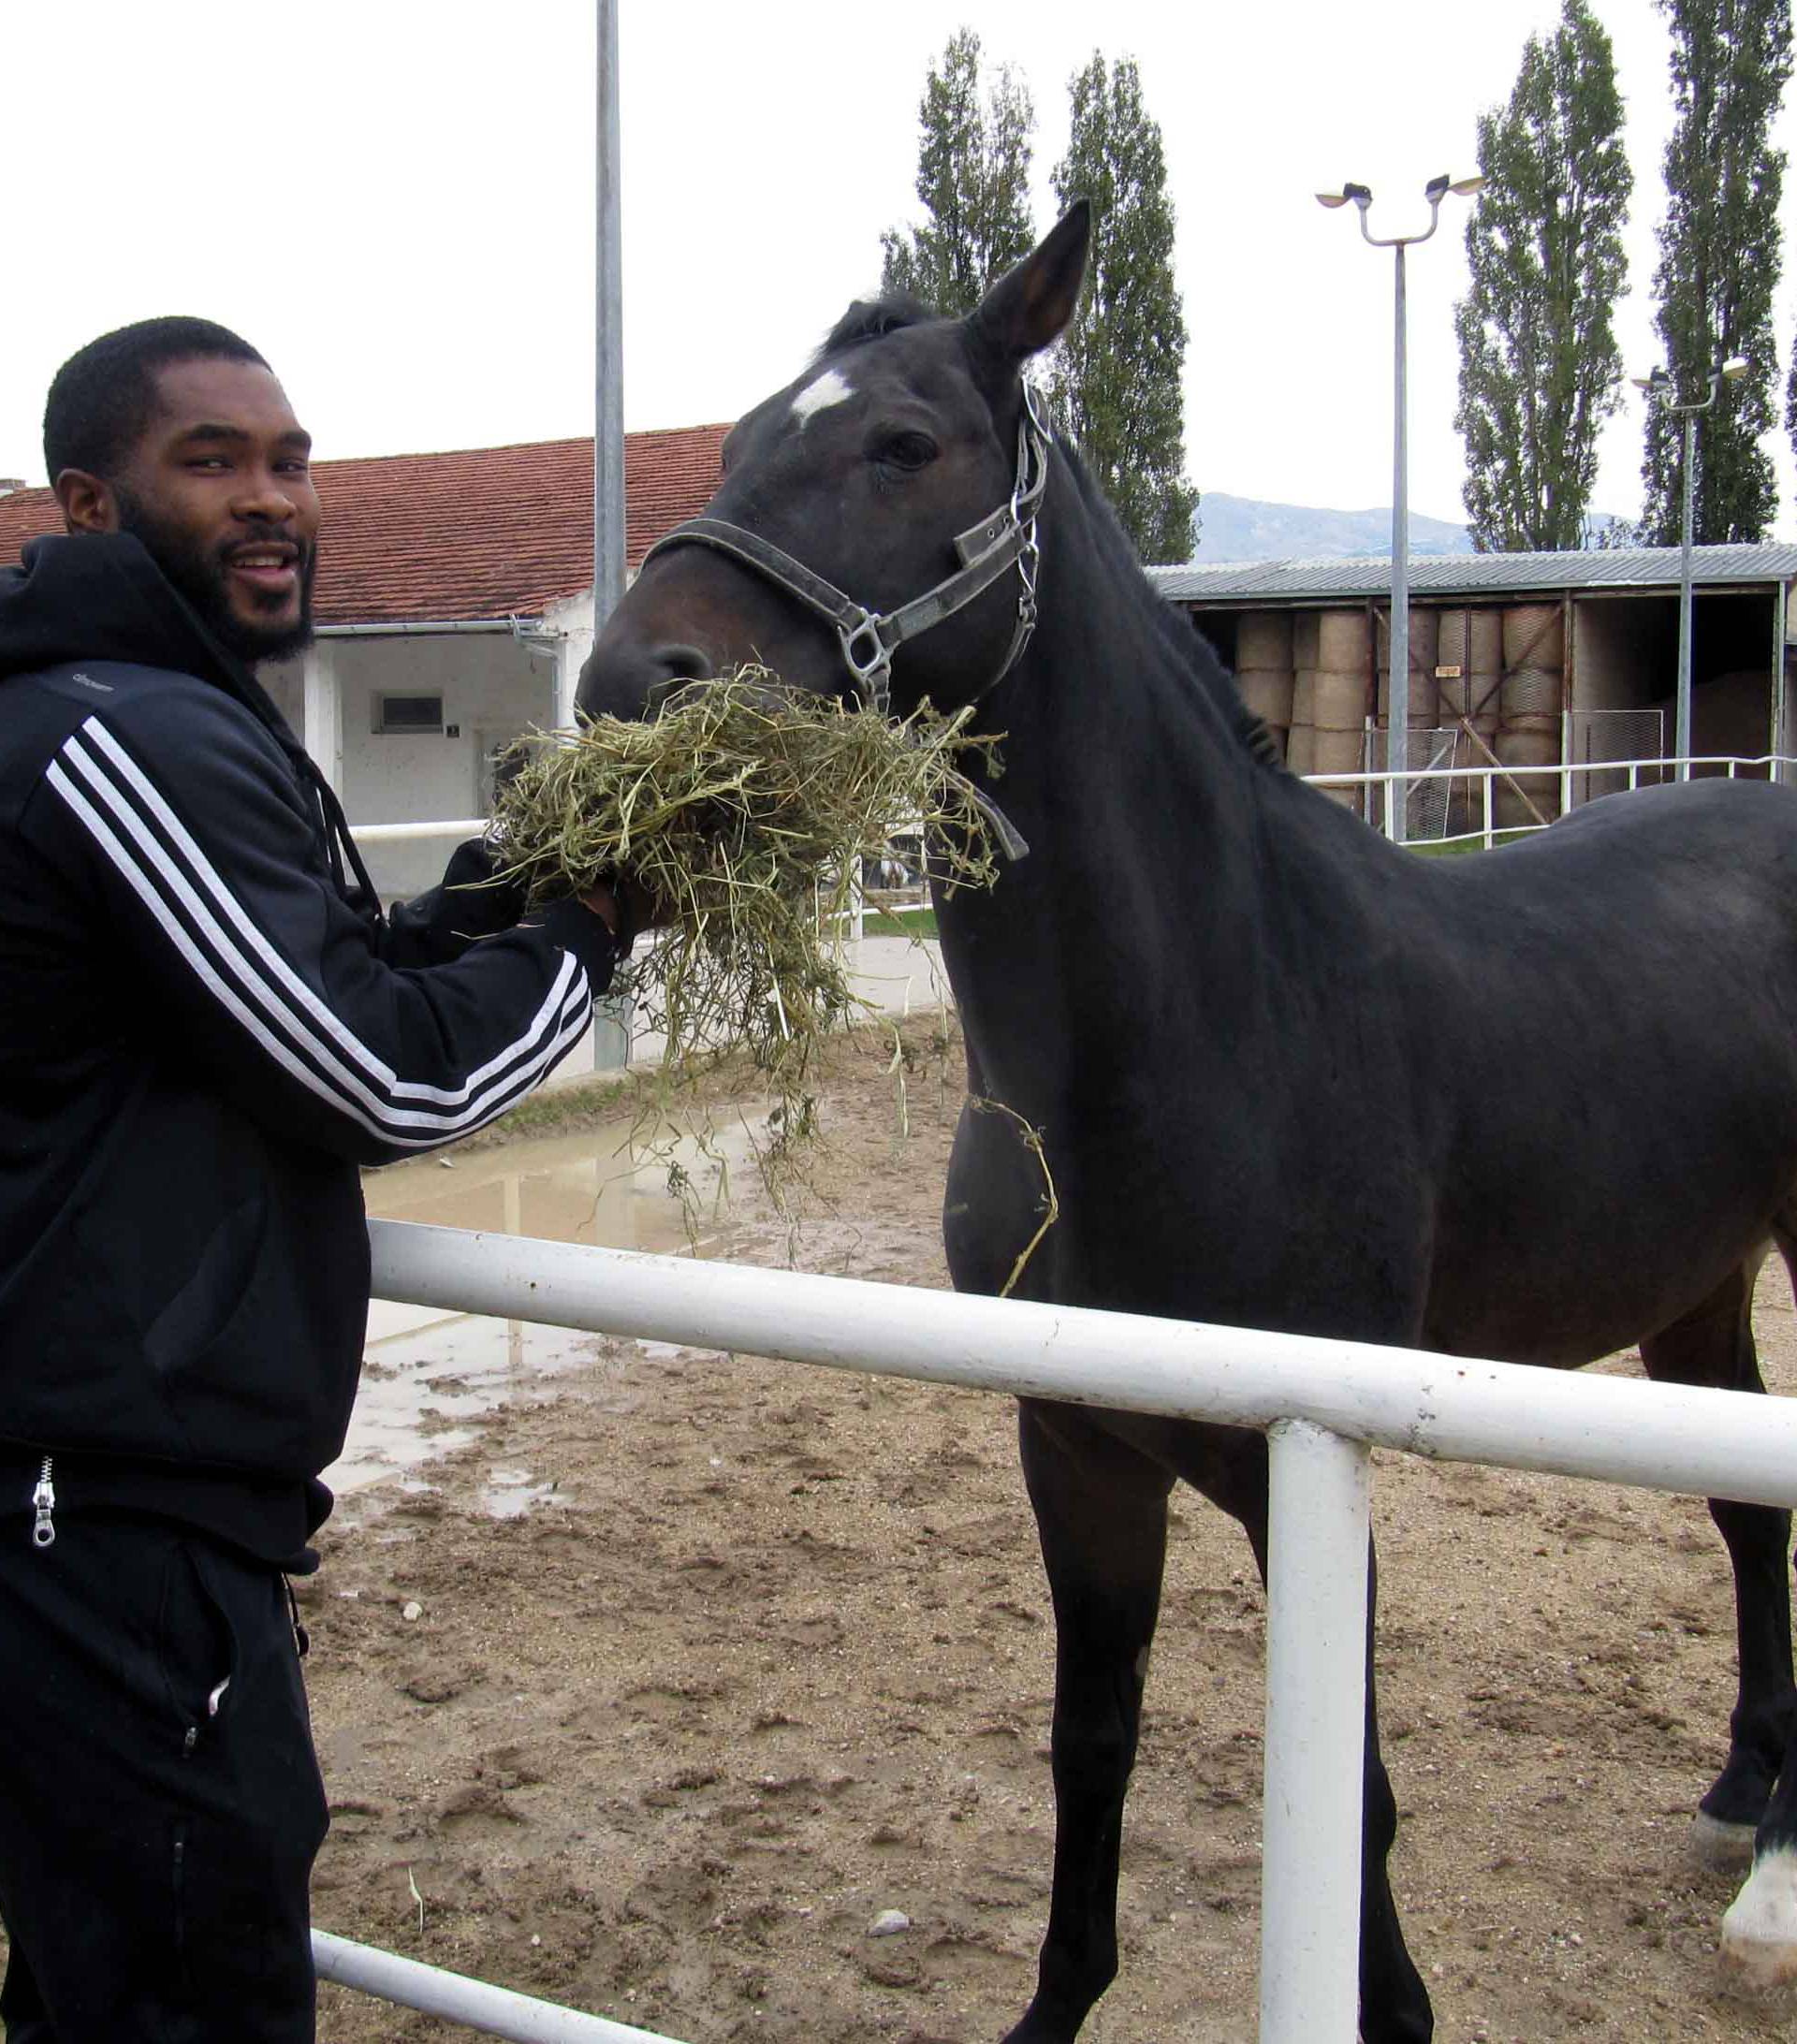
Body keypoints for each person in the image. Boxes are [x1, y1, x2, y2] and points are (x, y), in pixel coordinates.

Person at [0, 318, 637, 2041]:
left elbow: (292, 981)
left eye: (290, 460)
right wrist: (592, 938)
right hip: (113, 1522)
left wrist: (508, 892)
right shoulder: (116, 739)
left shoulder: (141, 716)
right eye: (213, 463)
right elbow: (374, 1072)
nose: (273, 500)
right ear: (90, 505)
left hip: (105, 1496)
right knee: (185, 1991)